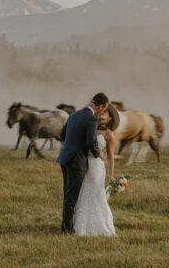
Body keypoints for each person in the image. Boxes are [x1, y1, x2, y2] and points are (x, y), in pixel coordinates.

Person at [57, 92, 109, 235]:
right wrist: (99, 153)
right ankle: (67, 230)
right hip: (77, 162)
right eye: (103, 110)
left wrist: (72, 143)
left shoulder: (74, 115)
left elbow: (62, 135)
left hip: (65, 158)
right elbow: (91, 142)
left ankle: (65, 225)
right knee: (72, 196)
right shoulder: (91, 119)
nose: (102, 113)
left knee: (68, 194)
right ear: (100, 107)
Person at [73, 100, 119, 236]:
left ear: (110, 118)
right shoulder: (89, 127)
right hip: (84, 164)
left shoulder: (109, 134)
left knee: (97, 193)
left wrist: (111, 175)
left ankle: (102, 225)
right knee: (83, 193)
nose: (102, 115)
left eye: (106, 113)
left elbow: (110, 156)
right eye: (102, 112)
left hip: (97, 167)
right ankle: (82, 226)